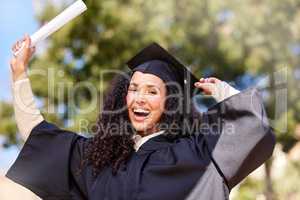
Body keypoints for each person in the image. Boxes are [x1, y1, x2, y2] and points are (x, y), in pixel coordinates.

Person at [6, 35, 275, 200]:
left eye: (151, 91)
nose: (139, 98)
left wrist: (223, 91)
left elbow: (252, 126)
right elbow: (37, 134)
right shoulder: (100, 163)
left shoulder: (198, 154)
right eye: (133, 89)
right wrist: (20, 74)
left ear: (170, 102)